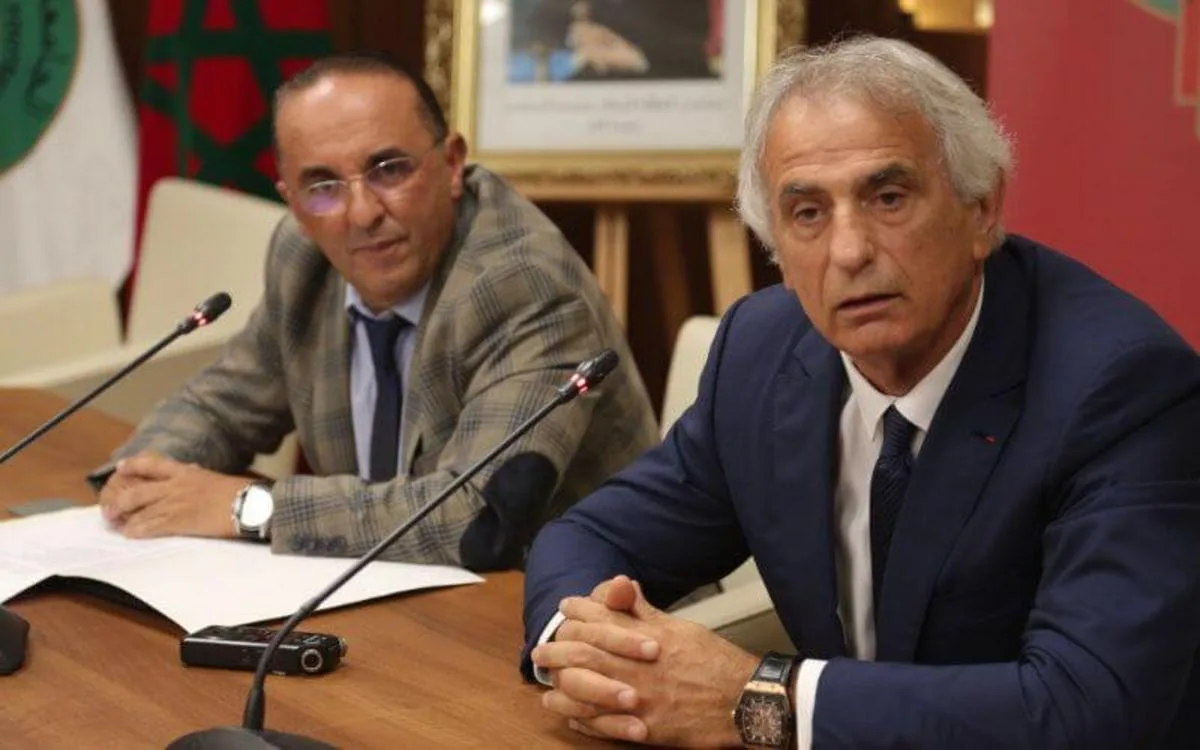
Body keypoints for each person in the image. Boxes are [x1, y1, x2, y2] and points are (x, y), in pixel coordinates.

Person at [522, 36, 1200, 748]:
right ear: (778, 251)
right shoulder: (760, 353)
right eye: (808, 213)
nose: (849, 251)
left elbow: (1088, 710)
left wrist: (755, 699)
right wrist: (588, 651)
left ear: (981, 209)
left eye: (888, 198)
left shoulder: (1121, 388)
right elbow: (591, 536)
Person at [95, 52, 658, 568]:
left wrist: (246, 507)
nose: (362, 213)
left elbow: (475, 517)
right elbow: (220, 406)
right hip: (384, 589)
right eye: (322, 186)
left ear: (452, 163)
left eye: (389, 169)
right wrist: (140, 475)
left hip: (573, 608)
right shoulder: (304, 259)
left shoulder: (524, 285)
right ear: (293, 203)